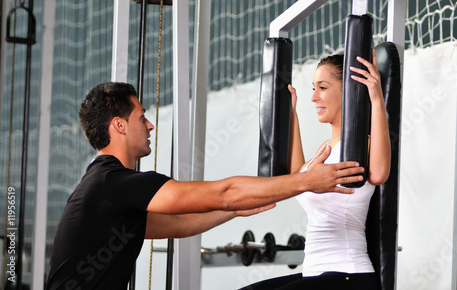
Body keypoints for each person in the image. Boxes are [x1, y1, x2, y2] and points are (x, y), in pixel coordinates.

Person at [45, 82, 366, 289]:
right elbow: (223, 193)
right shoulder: (113, 183)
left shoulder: (105, 187)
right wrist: (306, 181)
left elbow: (178, 224)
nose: (150, 124)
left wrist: (235, 211)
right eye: (141, 117)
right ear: (119, 125)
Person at [241, 50, 391, 290]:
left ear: (348, 92)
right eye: (314, 88)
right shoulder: (326, 149)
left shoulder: (362, 145)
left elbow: (380, 173)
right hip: (315, 274)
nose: (314, 97)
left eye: (322, 87)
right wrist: (291, 114)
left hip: (348, 275)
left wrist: (375, 97)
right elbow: (297, 178)